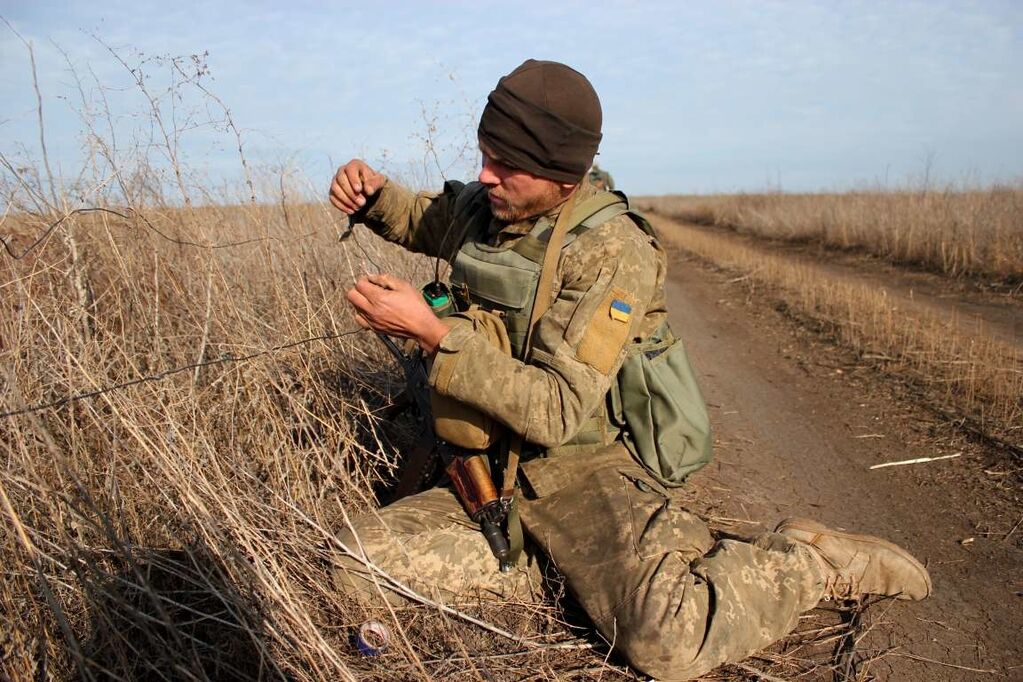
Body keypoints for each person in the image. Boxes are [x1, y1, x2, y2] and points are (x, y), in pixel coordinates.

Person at [328, 59, 931, 680]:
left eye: (508, 165)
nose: (487, 175)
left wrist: (434, 335)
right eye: (485, 153)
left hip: (585, 472)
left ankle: (810, 561)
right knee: (352, 566)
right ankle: (545, 562)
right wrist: (376, 197)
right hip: (489, 469)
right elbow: (429, 217)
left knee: (664, 643)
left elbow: (558, 411)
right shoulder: (490, 207)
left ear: (564, 178)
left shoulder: (614, 250)